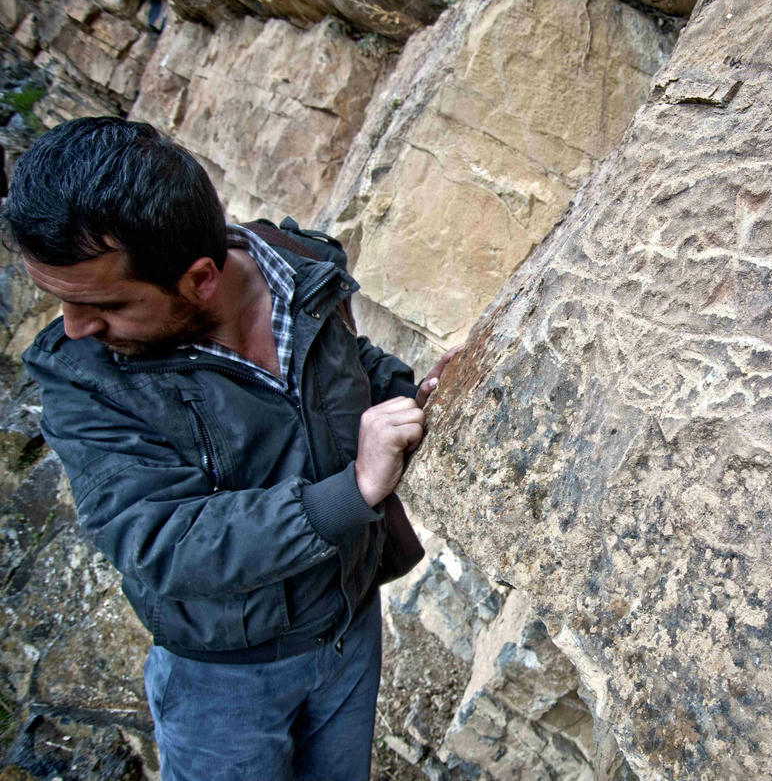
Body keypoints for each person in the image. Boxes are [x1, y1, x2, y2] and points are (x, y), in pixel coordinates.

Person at [4, 116, 458, 780]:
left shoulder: (303, 272)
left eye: (101, 303)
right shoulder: (82, 380)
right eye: (60, 301)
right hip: (221, 679)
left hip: (349, 627)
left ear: (199, 279)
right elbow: (160, 537)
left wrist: (408, 392)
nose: (74, 328)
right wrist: (351, 490)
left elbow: (343, 363)